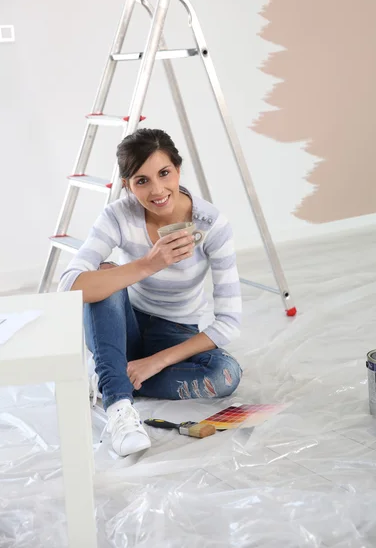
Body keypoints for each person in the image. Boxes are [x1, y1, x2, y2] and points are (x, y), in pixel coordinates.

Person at [59, 128, 242, 457]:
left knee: (226, 374)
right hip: (123, 323)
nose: (158, 190)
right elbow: (69, 286)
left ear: (178, 169)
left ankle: (109, 372)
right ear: (127, 185)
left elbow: (229, 322)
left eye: (164, 173)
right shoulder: (118, 215)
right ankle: (118, 406)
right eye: (142, 181)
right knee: (105, 275)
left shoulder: (210, 224)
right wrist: (147, 265)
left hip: (175, 332)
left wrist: (154, 363)